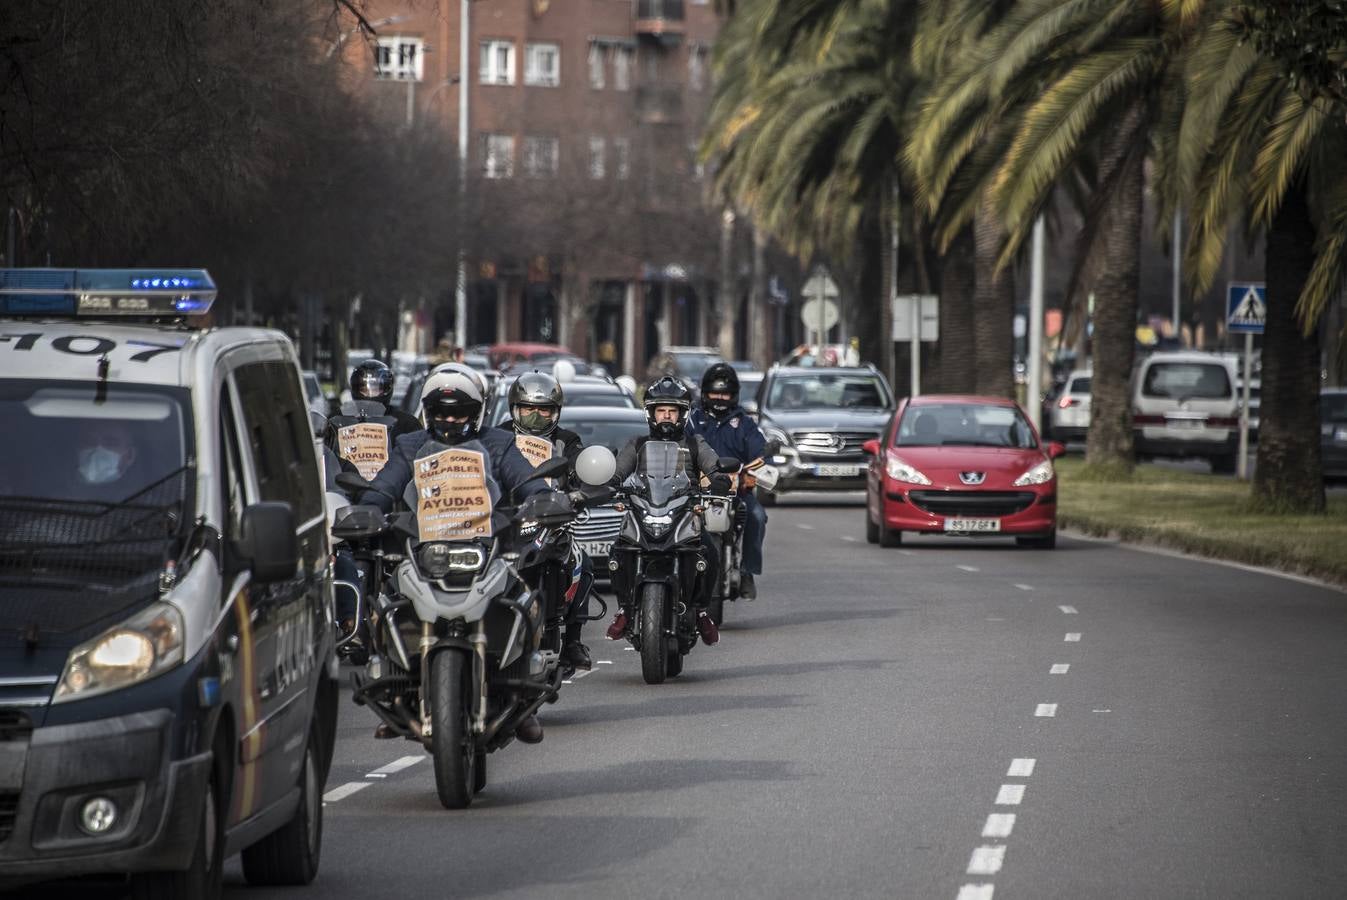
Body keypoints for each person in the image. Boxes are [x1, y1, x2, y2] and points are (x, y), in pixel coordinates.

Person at [356, 370, 553, 743]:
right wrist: (366, 509)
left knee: (523, 598)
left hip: (487, 544)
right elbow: (384, 486)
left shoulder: (499, 443)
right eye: (441, 412)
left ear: (477, 412)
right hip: (423, 546)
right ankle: (394, 688)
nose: (450, 420)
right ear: (428, 412)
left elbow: (528, 481)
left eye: (459, 412)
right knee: (386, 600)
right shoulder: (410, 444)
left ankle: (525, 694)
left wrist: (543, 499)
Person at [604, 375, 729, 647]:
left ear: (682, 415)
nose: (667, 417)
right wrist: (610, 482)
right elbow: (618, 470)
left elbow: (714, 467)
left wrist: (719, 479)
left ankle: (702, 612)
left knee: (709, 553)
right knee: (618, 552)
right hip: (644, 510)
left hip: (684, 513)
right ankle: (625, 608)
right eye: (661, 411)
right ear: (651, 413)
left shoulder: (695, 444)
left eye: (672, 411)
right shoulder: (636, 444)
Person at [496, 370, 595, 674]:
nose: (536, 416)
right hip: (508, 525)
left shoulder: (567, 440)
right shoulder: (499, 436)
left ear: (556, 412)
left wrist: (582, 491)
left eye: (544, 410)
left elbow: (582, 471)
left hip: (553, 523)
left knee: (583, 563)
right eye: (529, 409)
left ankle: (573, 640)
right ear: (516, 409)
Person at [686, 362, 769, 600]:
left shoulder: (744, 422)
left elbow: (759, 452)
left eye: (725, 393)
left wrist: (762, 461)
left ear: (734, 395)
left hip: (737, 492)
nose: (720, 398)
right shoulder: (692, 420)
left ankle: (747, 572)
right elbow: (680, 449)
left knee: (758, 517)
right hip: (697, 491)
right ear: (705, 393)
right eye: (715, 393)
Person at [347, 358, 423, 438]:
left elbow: (420, 446)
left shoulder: (405, 423)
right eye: (364, 390)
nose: (370, 394)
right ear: (355, 390)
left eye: (375, 390)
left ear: (386, 389)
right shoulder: (345, 421)